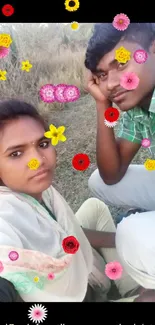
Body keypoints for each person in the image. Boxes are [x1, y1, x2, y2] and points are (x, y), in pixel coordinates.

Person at [0, 98, 139, 302]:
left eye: (43, 144)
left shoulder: (39, 191)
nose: (38, 160)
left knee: (94, 207)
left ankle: (131, 288)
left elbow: (66, 230)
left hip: (82, 267)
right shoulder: (7, 216)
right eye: (16, 153)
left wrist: (120, 240)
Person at [84, 23, 155, 218]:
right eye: (102, 75)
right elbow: (111, 175)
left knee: (131, 233)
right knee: (97, 181)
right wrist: (102, 104)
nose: (111, 84)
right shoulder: (139, 109)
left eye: (122, 63)